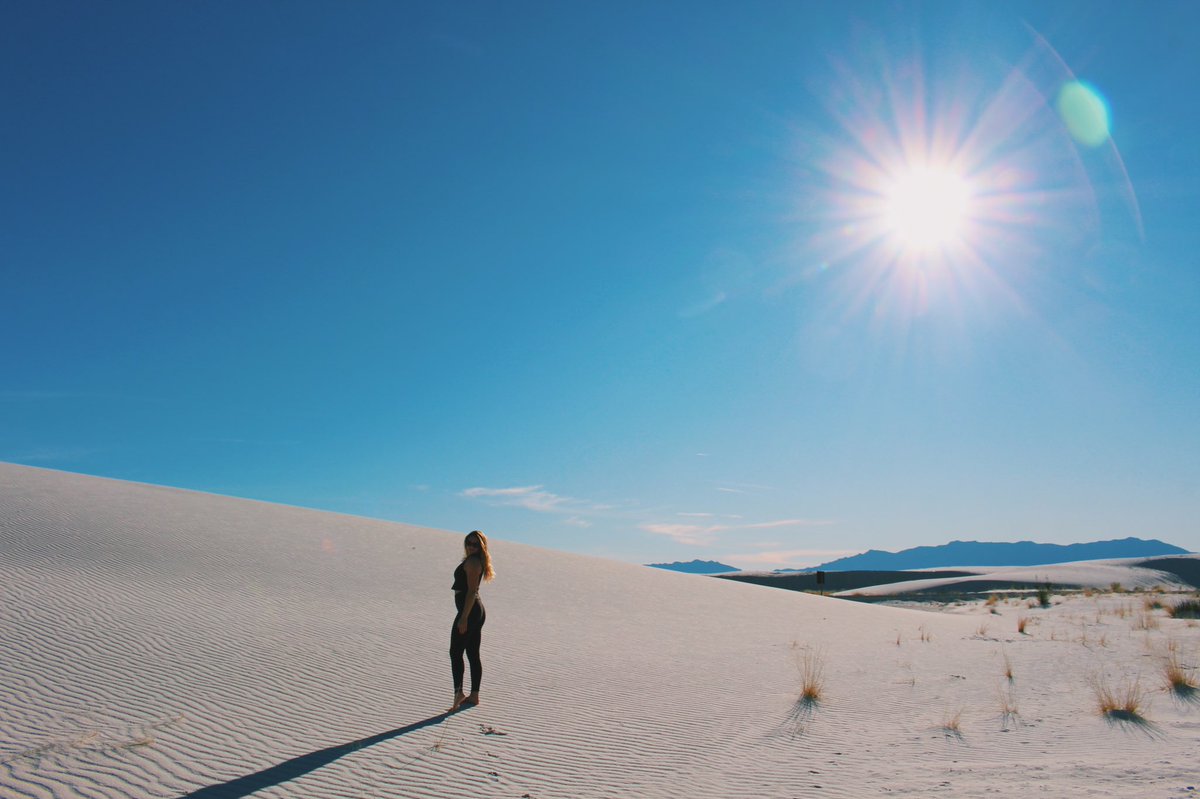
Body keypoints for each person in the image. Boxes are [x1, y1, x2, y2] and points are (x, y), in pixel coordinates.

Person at [450, 530, 495, 711]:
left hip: (471, 611)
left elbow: (471, 591)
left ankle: (459, 692)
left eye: (475, 544)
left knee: (455, 652)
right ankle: (474, 695)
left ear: (481, 547)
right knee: (472, 653)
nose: (470, 546)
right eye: (468, 542)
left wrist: (463, 618)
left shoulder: (473, 562)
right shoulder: (475, 561)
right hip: (476, 611)